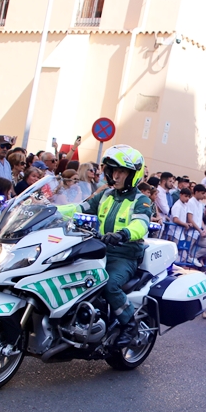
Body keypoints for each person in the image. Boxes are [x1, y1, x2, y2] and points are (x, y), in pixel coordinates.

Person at [57, 145, 152, 347]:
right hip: (97, 251)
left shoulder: (141, 200)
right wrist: (51, 211)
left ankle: (130, 326)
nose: (116, 176)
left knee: (109, 284)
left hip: (123, 256)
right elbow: (78, 209)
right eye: (113, 170)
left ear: (132, 174)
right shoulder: (105, 195)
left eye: (121, 171)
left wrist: (123, 234)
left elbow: (141, 224)